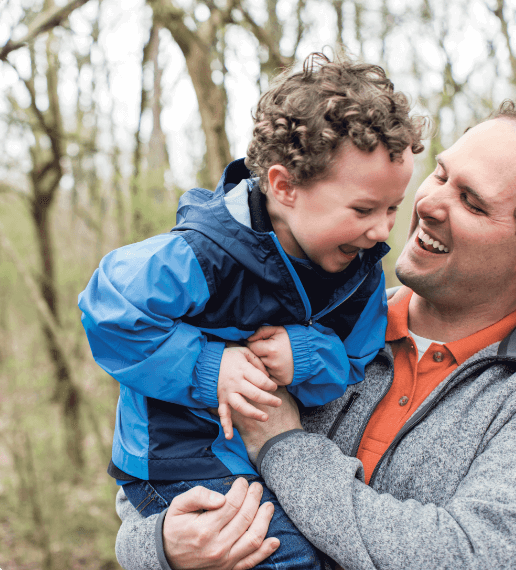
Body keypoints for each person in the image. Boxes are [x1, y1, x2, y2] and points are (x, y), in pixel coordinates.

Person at [115, 98, 516, 570]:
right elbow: (154, 475)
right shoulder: (318, 317)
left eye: (471, 202)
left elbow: (467, 558)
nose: (428, 203)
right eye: (439, 174)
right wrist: (162, 549)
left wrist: (283, 445)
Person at [78, 52, 424, 569]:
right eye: (363, 210)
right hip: (180, 458)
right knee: (285, 558)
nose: (382, 232)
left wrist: (305, 356)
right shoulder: (207, 250)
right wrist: (207, 367)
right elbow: (109, 310)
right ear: (285, 187)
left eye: (393, 209)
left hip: (267, 460)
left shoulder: (361, 273)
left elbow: (354, 361)